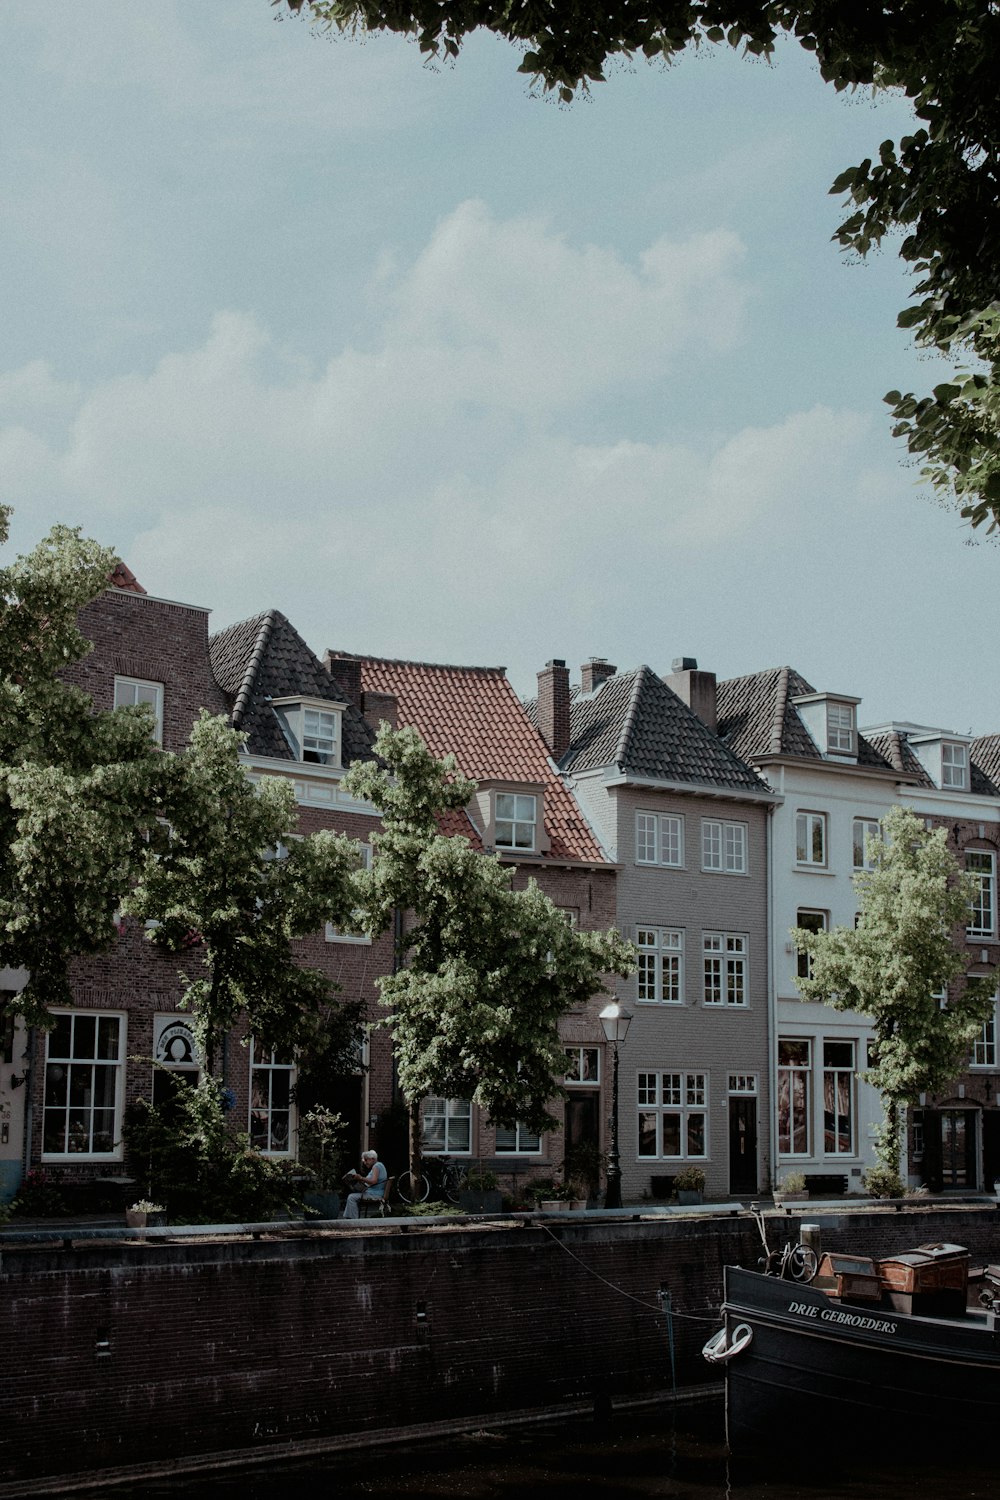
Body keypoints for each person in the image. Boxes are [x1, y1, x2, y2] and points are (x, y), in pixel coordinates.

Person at [341, 1149, 388, 1219]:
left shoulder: (376, 1166)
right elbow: (371, 1181)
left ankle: (353, 1220)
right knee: (352, 1195)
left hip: (375, 1194)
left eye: (366, 1160)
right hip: (374, 1192)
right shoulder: (379, 1165)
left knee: (351, 1197)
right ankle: (351, 1218)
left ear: (372, 1159)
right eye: (364, 1161)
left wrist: (361, 1178)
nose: (365, 1163)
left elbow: (374, 1181)